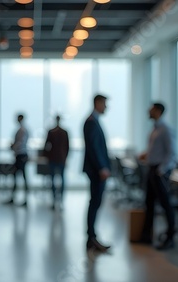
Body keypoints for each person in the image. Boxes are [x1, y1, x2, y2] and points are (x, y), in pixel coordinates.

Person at [138, 102, 176, 250]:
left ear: (158, 111)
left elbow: (172, 153)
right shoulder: (155, 129)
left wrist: (161, 170)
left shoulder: (165, 129)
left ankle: (170, 237)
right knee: (149, 203)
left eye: (151, 109)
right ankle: (146, 235)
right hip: (152, 169)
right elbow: (157, 150)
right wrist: (146, 155)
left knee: (166, 205)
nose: (149, 110)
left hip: (159, 172)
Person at [83, 94, 111, 252]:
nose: (106, 107)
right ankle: (91, 238)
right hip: (96, 171)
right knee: (94, 203)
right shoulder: (91, 122)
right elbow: (94, 148)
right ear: (97, 103)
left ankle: (92, 237)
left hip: (96, 170)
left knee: (95, 203)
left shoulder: (93, 121)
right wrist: (102, 167)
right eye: (104, 104)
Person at [43, 115, 69, 210]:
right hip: (59, 159)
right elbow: (67, 147)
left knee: (55, 180)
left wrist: (46, 155)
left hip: (55, 158)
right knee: (59, 180)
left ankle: (57, 200)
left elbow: (46, 146)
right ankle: (59, 200)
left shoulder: (53, 132)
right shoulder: (63, 132)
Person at [6, 114, 29, 206]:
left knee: (22, 177)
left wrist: (13, 146)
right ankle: (14, 197)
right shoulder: (22, 129)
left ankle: (23, 199)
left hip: (21, 155)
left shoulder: (22, 130)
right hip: (20, 155)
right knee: (17, 176)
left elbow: (19, 143)